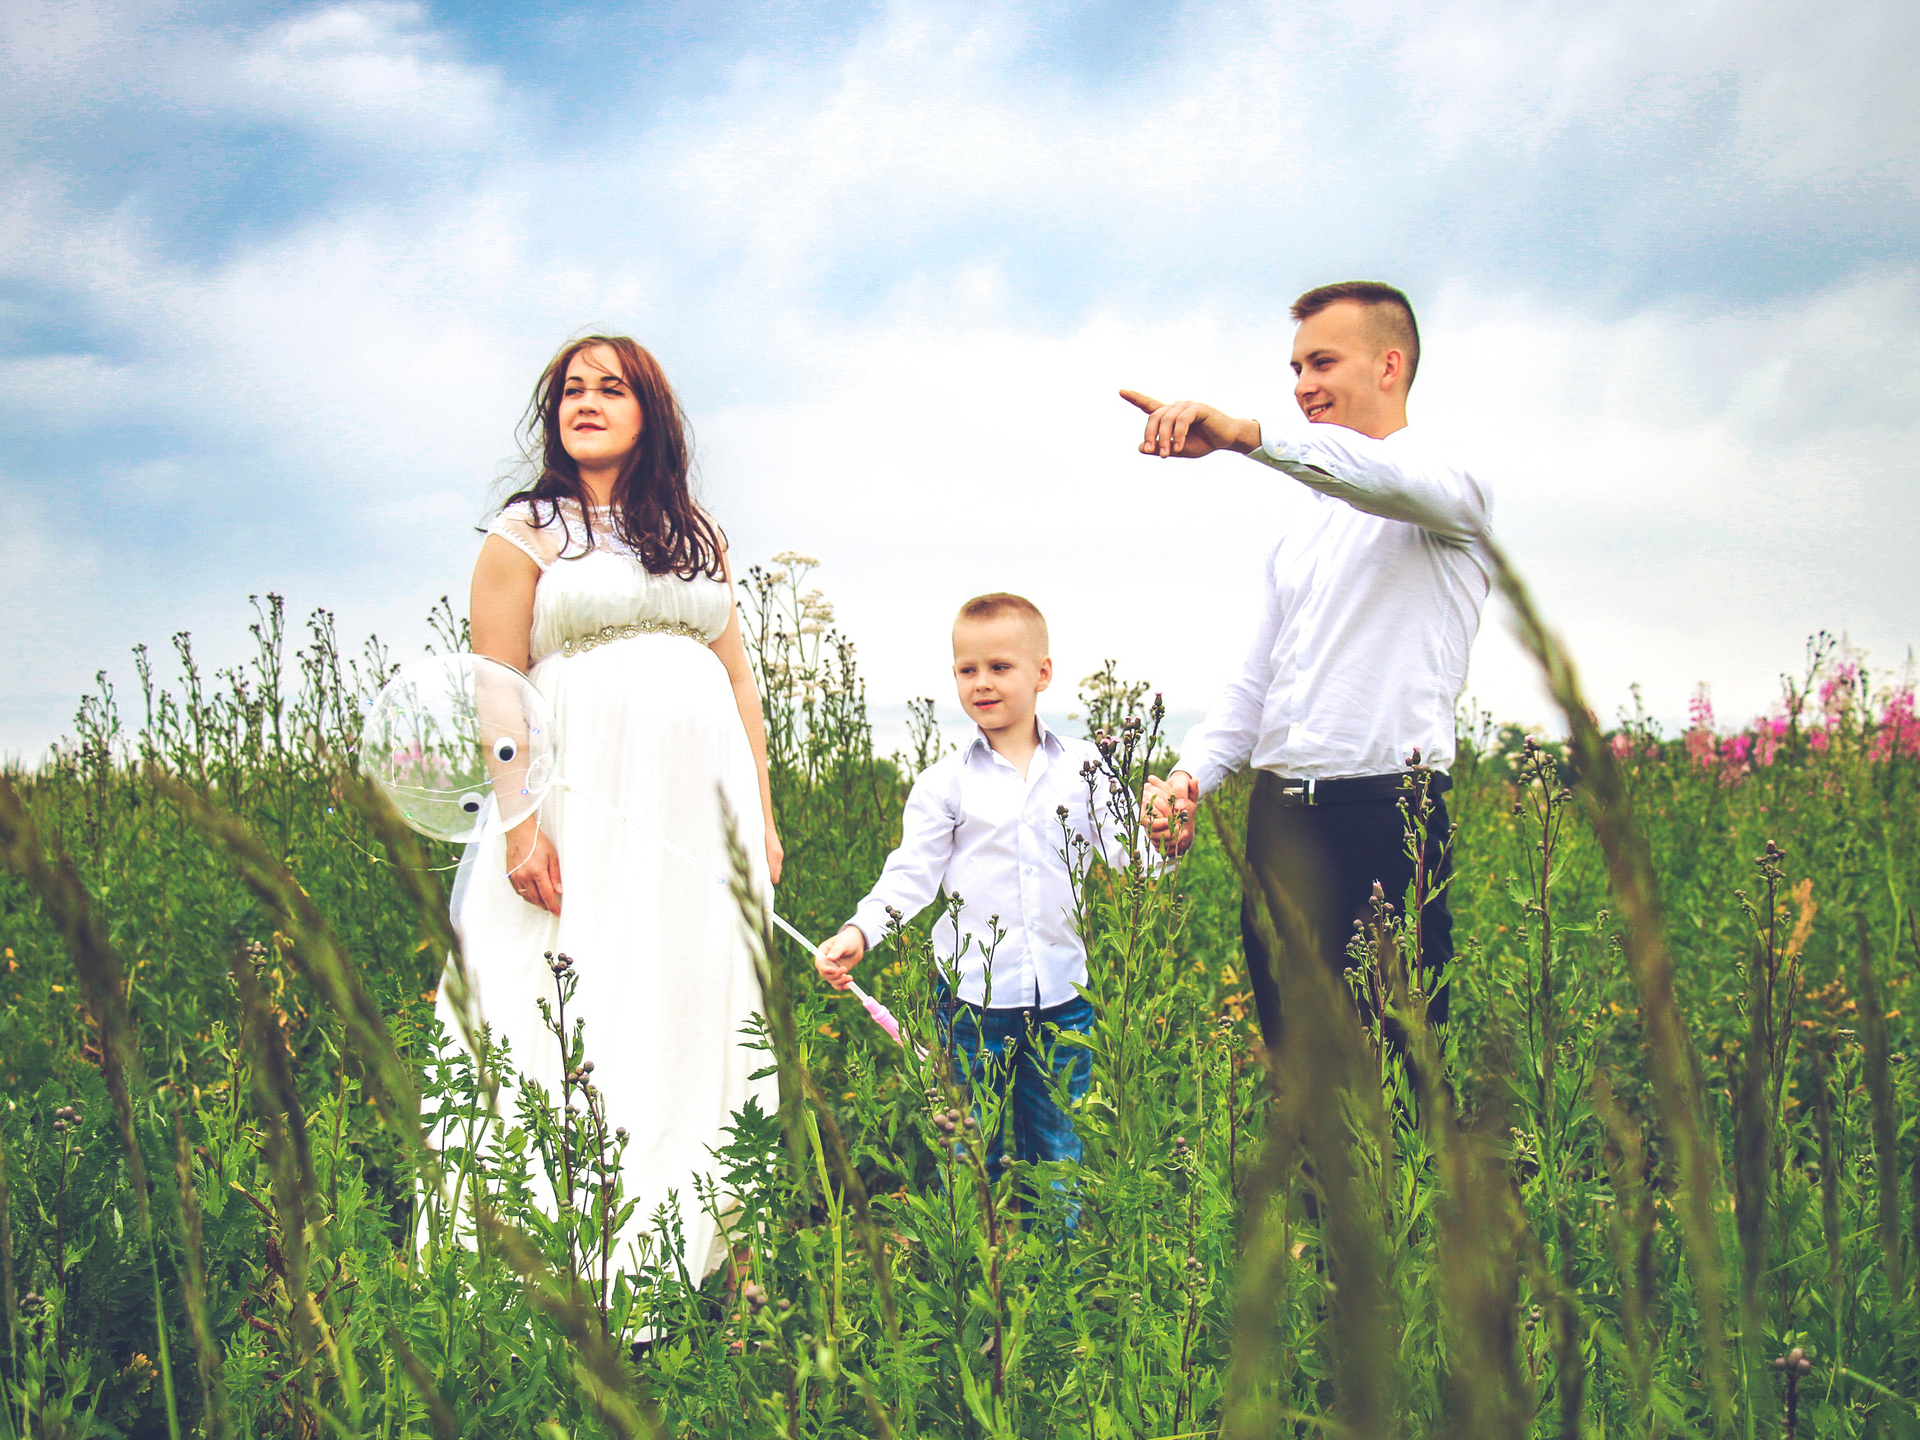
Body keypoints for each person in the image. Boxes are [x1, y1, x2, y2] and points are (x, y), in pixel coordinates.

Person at [448, 333, 783, 1287]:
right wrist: (520, 822)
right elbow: (497, 684)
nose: (586, 401)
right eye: (570, 390)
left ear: (650, 412)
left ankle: (710, 1252)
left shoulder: (694, 533)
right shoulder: (525, 531)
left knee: (696, 987)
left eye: (611, 388)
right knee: (576, 989)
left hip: (696, 802)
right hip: (582, 801)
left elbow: (738, 681)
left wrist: (759, 815)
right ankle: (558, 1260)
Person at [1125, 280, 1492, 1049]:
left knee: (1402, 1071)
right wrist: (1192, 777)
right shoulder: (1301, 523)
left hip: (1385, 818)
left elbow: (1376, 476)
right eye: (1294, 368)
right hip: (1278, 822)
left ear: (1390, 365)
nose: (1302, 386)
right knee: (1302, 1078)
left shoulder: (1448, 489)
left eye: (1322, 362)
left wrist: (1244, 437)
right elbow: (1257, 681)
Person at [813, 594, 1117, 1218]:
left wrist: (1169, 832)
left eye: (1000, 667)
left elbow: (1131, 854)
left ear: (1043, 674)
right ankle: (989, 1273)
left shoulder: (1088, 767)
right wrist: (860, 932)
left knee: (1061, 1151)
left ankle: (1055, 1281)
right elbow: (909, 877)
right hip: (974, 1010)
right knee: (975, 1154)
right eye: (966, 669)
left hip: (1066, 1001)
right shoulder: (943, 783)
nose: (981, 683)